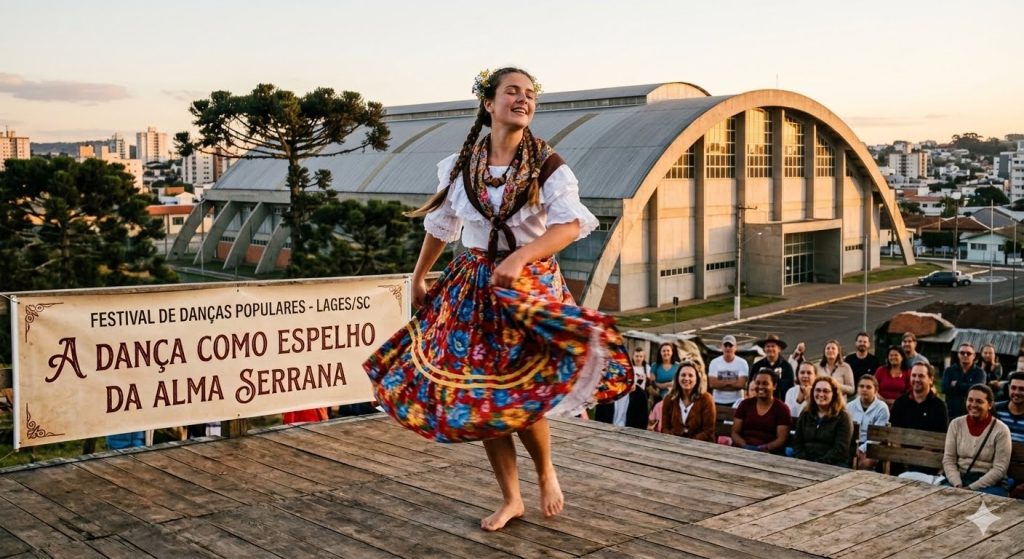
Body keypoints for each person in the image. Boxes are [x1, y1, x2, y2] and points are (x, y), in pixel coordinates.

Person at [362, 67, 632, 531]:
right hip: (473, 285)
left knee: (520, 391)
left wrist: (520, 257)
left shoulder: (548, 164)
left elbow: (570, 226)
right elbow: (441, 227)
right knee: (484, 398)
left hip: (527, 285)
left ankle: (546, 471)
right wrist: (420, 276)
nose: (523, 99)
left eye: (530, 94)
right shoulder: (460, 163)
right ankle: (511, 498)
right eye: (513, 91)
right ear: (489, 103)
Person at [942, 384, 1012, 496]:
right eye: (970, 400)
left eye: (979, 401)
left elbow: (999, 469)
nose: (973, 405)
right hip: (959, 479)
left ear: (990, 405)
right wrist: (957, 484)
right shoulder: (955, 424)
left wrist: (971, 488)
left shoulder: (1001, 430)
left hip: (990, 485)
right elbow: (949, 460)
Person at [793, 376, 854, 467]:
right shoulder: (805, 413)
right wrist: (804, 461)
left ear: (834, 394)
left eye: (826, 391)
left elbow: (840, 450)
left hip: (833, 465)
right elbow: (797, 442)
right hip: (805, 463)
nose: (821, 394)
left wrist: (818, 464)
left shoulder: (843, 417)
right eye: (817, 390)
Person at [732, 368, 792, 454]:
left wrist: (764, 448)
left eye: (765, 383)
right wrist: (744, 446)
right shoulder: (745, 404)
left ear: (774, 386)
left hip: (768, 453)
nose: (760, 387)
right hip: (743, 450)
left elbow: (781, 439)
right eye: (758, 383)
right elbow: (735, 432)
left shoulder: (782, 409)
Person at [656, 360, 716, 441]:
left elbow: (708, 431)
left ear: (697, 379)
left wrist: (688, 443)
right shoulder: (669, 399)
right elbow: (665, 428)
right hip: (674, 444)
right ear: (677, 378)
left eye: (690, 375)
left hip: (699, 446)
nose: (686, 378)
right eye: (683, 375)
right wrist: (675, 442)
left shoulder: (706, 399)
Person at [892, 363, 949, 434]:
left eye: (921, 376)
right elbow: (894, 432)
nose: (916, 379)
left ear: (930, 379)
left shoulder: (939, 406)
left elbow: (942, 436)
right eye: (913, 375)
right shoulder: (900, 403)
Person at [848, 374, 890, 470]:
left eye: (868, 387)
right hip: (853, 445)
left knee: (864, 465)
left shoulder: (882, 408)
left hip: (874, 446)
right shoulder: (850, 406)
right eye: (861, 386)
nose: (864, 389)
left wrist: (862, 449)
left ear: (875, 390)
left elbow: (878, 436)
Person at [942, 343, 986, 419]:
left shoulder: (980, 373)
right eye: (962, 353)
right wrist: (968, 388)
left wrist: (957, 384)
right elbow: (944, 388)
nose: (965, 355)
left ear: (974, 356)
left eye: (968, 353)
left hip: (972, 414)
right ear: (958, 355)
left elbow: (979, 391)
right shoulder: (949, 371)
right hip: (951, 413)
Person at [708, 335, 749, 406]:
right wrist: (733, 382)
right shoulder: (714, 362)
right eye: (725, 345)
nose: (728, 348)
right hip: (717, 401)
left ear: (735, 348)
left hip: (736, 402)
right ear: (721, 347)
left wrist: (721, 383)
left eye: (730, 346)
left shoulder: (742, 363)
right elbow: (712, 384)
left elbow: (741, 384)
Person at [752, 335, 794, 400]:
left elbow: (789, 386)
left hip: (781, 401)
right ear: (764, 349)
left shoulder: (786, 366)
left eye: (773, 346)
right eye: (768, 346)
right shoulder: (757, 366)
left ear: (779, 349)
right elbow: (751, 384)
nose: (770, 349)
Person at [994, 372, 1024, 444]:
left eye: (1022, 389)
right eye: (1013, 388)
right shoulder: (995, 410)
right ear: (1008, 388)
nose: (1016, 392)